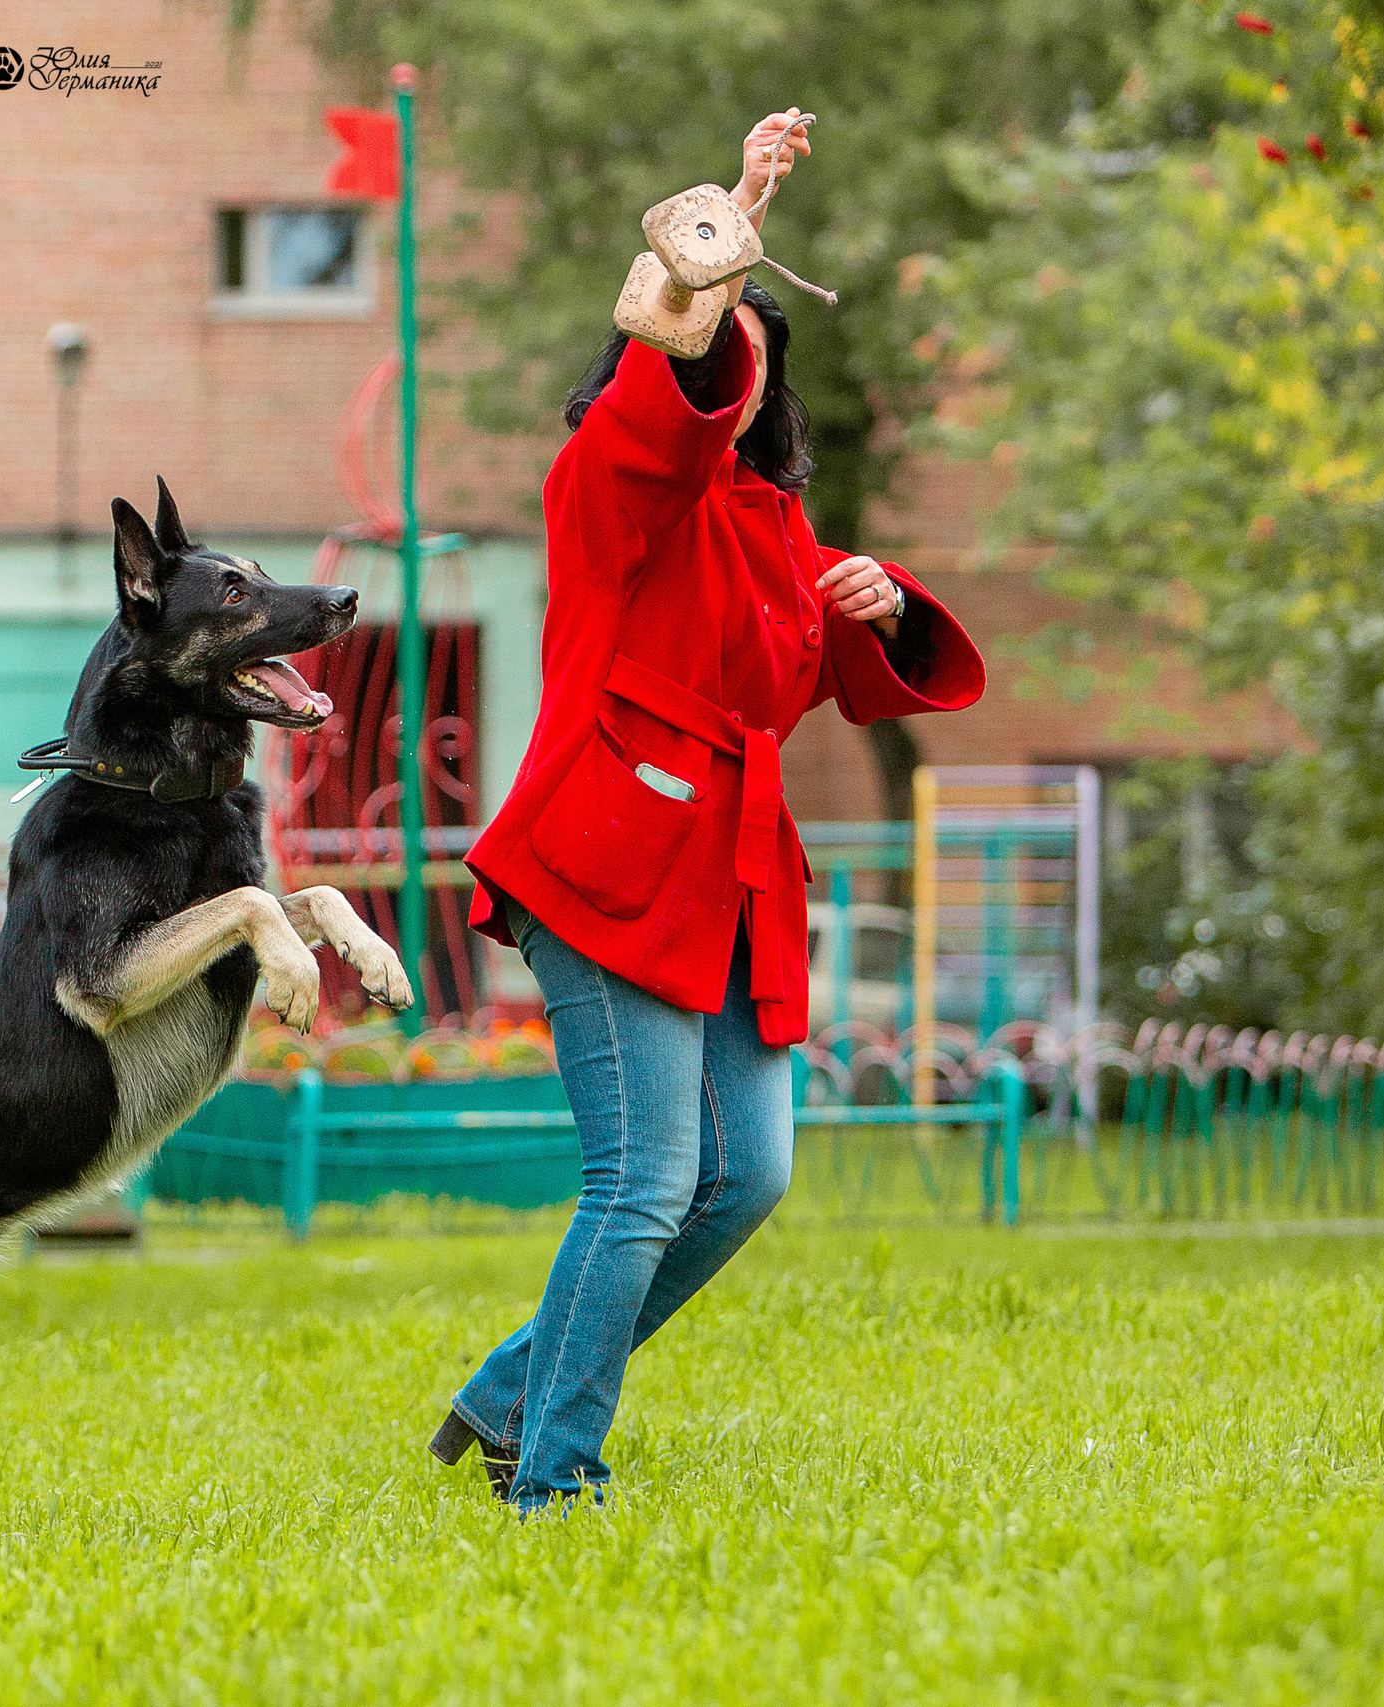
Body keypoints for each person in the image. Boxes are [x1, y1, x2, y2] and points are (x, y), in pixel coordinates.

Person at [431, 110, 987, 1512]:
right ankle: (550, 1473)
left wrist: (875, 600)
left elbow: (827, 683)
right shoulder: (607, 486)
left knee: (746, 1180)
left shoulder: (778, 524)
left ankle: (509, 1393)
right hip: (608, 864)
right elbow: (659, 408)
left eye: (755, 361)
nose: (733, 381)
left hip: (730, 879)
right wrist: (731, 218)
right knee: (643, 1181)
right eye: (716, 350)